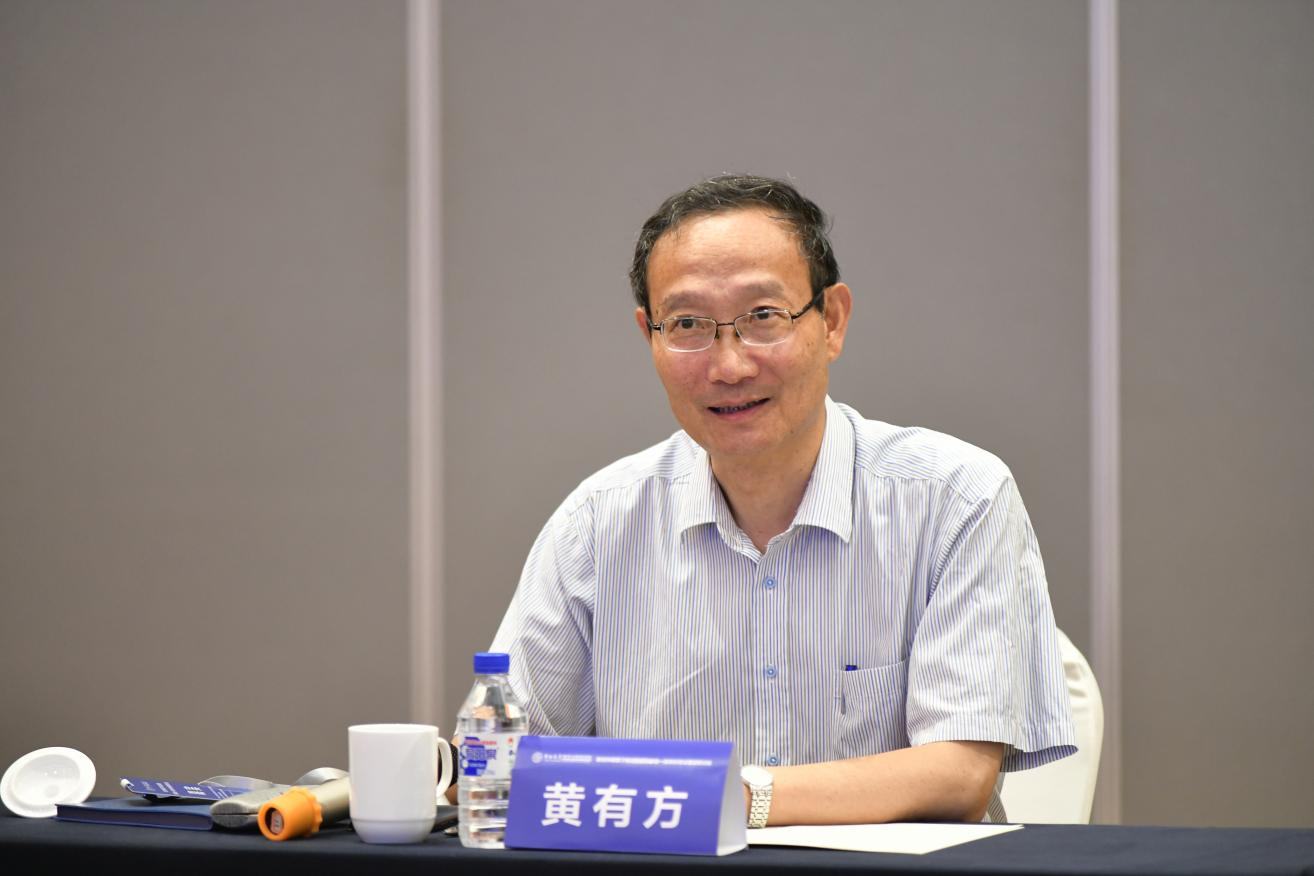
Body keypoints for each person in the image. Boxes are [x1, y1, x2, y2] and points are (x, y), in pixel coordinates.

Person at [490, 173, 1075, 825]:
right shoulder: (597, 524)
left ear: (833, 322)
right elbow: (501, 761)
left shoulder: (955, 498)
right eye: (688, 324)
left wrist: (720, 802)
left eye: (763, 317)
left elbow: (956, 773)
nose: (729, 366)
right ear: (649, 336)